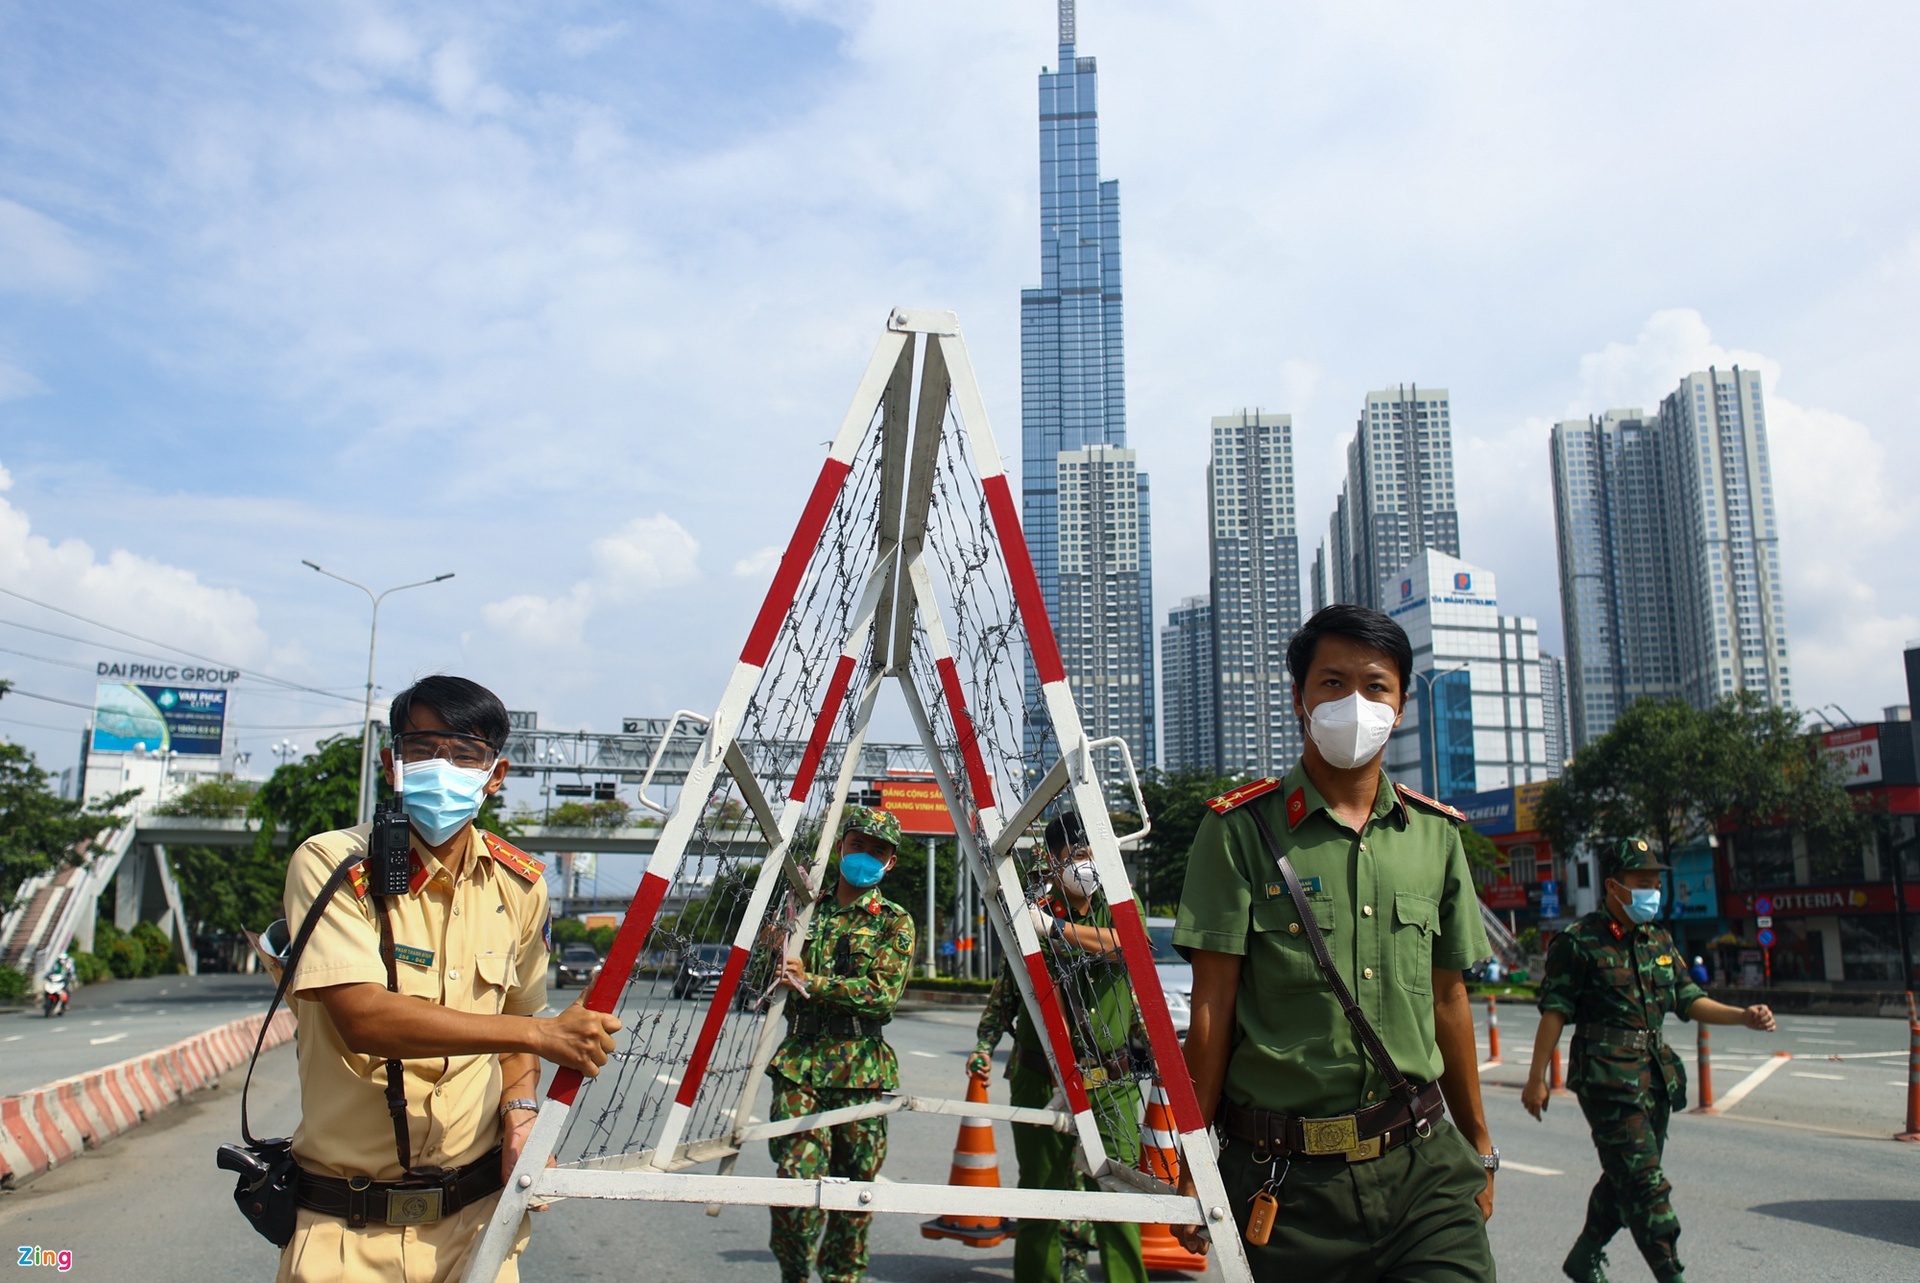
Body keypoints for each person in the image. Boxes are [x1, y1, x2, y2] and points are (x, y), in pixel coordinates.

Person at [1172, 604, 1499, 1282]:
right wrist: (1192, 1166)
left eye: (1376, 685)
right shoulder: (1238, 831)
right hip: (1285, 1184)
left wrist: (1480, 1145)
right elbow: (1212, 1007)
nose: (1355, 702)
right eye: (1332, 682)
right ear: (1300, 698)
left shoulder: (1436, 837)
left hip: (1425, 1169)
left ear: (1401, 703)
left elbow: (1450, 997)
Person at [279, 675, 622, 1283]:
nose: (443, 766)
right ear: (392, 763)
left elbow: (521, 1020)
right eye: (422, 748)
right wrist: (540, 1036)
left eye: (465, 754)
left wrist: (520, 1114)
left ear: (495, 775)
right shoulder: (333, 864)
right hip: (348, 1233)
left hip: (479, 1226)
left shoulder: (520, 885)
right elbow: (363, 1017)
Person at [1523, 839, 1777, 1283]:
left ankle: (1584, 1256)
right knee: (1644, 1185)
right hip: (1607, 1078)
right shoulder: (1578, 942)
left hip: (1655, 1077)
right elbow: (1555, 1012)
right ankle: (1671, 1274)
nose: (1652, 892)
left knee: (1625, 1177)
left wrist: (1743, 1017)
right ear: (1614, 887)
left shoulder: (1658, 938)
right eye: (1643, 883)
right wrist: (1536, 1079)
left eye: (1656, 883)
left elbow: (1687, 998)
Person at [967, 812, 1147, 1283]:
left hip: (1112, 1082)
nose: (1090, 865)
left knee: (1119, 1198)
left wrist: (1057, 930)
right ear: (1054, 858)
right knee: (1041, 1198)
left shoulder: (1117, 903)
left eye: (1097, 854)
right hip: (1042, 1075)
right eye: (1080, 854)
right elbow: (1033, 991)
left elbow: (1131, 945)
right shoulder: (1028, 911)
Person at [766, 805, 917, 1283]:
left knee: (855, 1198)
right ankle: (794, 1272)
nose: (866, 856)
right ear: (840, 847)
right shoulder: (801, 912)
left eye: (878, 850)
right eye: (858, 845)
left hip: (862, 1072)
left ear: (890, 861)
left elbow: (881, 997)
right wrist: (770, 953)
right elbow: (760, 986)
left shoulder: (895, 921)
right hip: (799, 1065)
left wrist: (813, 980)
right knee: (794, 1189)